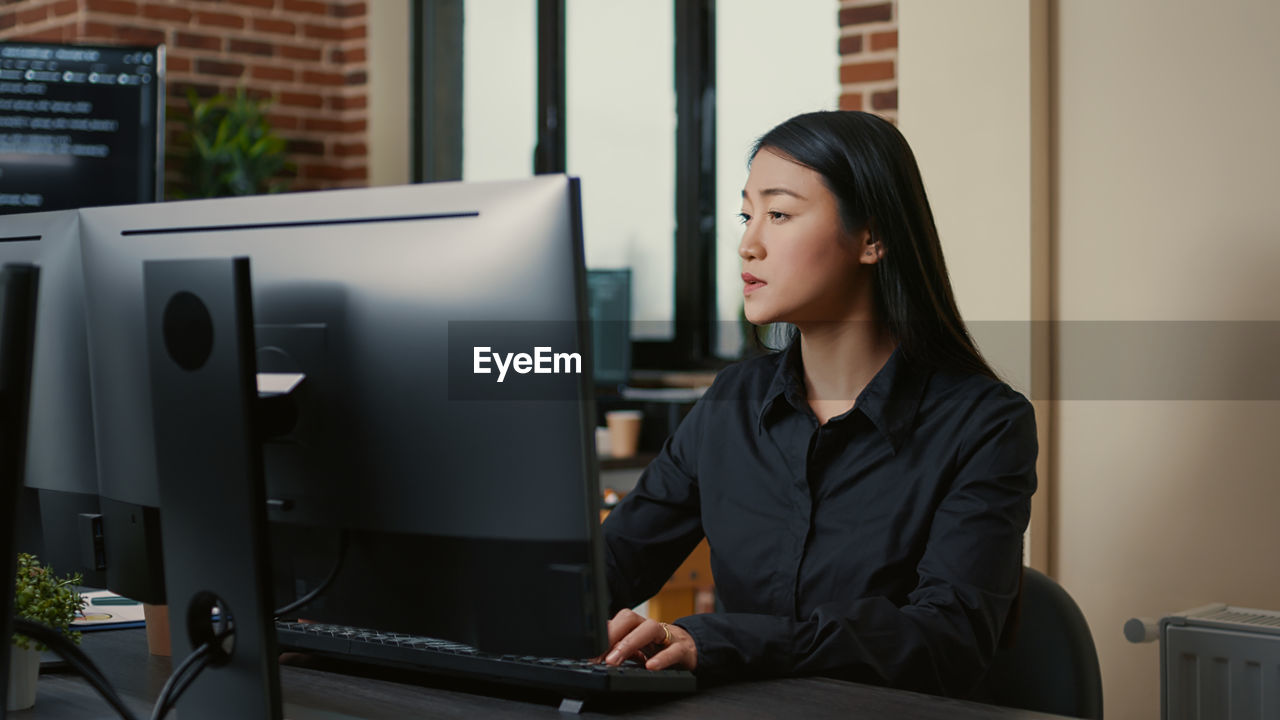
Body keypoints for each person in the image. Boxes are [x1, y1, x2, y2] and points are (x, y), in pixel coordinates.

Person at [597, 110, 1037, 697]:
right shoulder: (731, 402)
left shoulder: (984, 424)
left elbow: (947, 640)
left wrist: (721, 640)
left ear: (872, 238)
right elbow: (611, 565)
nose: (748, 245)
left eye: (778, 214)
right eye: (746, 215)